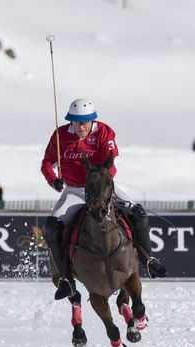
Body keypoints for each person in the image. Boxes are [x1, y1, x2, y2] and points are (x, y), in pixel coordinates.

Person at [40, 99, 168, 300]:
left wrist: (101, 184)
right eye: (76, 122)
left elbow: (112, 160)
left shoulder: (104, 132)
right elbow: (47, 162)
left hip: (102, 188)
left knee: (139, 214)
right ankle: (66, 278)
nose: (81, 127)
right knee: (51, 227)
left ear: (92, 120)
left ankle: (147, 259)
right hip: (74, 191)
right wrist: (54, 180)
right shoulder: (60, 135)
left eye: (84, 122)